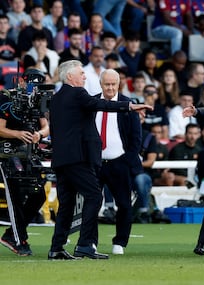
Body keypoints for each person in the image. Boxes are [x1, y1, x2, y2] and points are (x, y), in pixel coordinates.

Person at [47, 60, 152, 260]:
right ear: (70, 77)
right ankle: (85, 244)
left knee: (67, 205)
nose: (85, 76)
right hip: (78, 159)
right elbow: (100, 104)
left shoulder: (57, 97)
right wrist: (129, 106)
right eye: (81, 73)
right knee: (95, 196)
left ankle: (57, 247)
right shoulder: (78, 94)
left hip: (62, 160)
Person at [0, 71, 50, 256]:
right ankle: (19, 239)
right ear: (21, 82)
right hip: (7, 153)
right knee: (15, 197)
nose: (33, 89)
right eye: (31, 84)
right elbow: (0, 128)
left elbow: (46, 125)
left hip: (30, 154)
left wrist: (40, 134)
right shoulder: (5, 97)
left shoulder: (38, 101)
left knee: (39, 196)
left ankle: (10, 234)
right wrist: (18, 134)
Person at [95, 69, 142, 255]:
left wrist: (128, 159)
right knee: (92, 203)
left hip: (119, 162)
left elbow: (136, 137)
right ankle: (90, 241)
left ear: (119, 84)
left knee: (124, 204)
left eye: (114, 84)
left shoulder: (128, 105)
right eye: (107, 84)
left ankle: (120, 242)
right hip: (95, 162)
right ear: (101, 84)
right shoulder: (92, 102)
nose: (110, 88)